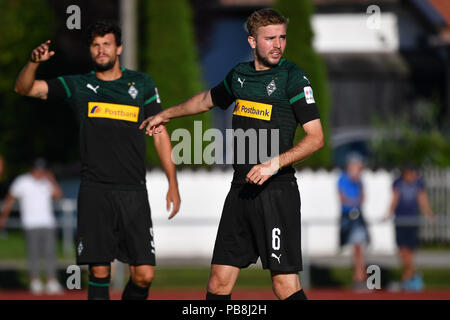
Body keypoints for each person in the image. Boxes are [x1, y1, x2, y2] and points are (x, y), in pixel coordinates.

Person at [141, 8, 324, 300]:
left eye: (282, 38)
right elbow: (205, 100)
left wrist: (272, 165)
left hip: (277, 192)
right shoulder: (239, 76)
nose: (278, 45)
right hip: (240, 191)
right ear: (252, 41)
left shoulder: (293, 77)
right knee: (218, 282)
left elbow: (316, 139)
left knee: (284, 284)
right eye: (269, 38)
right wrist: (166, 115)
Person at [14, 21, 181, 300]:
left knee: (144, 275)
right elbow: (25, 89)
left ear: (119, 48)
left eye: (106, 44)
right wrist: (32, 63)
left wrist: (172, 182)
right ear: (91, 50)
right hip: (95, 191)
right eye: (95, 45)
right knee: (99, 272)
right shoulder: (78, 85)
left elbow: (160, 134)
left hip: (133, 192)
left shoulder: (141, 84)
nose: (101, 49)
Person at [0, 158, 64, 294]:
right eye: (37, 169)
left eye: (42, 169)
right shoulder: (22, 181)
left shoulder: (47, 182)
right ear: (32, 169)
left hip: (48, 222)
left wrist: (52, 180)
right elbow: (10, 198)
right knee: (33, 253)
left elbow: (58, 195)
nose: (39, 172)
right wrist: (3, 216)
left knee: (50, 253)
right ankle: (35, 281)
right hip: (30, 223)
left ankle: (51, 280)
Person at [385, 164, 435, 291]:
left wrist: (429, 213)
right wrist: (388, 214)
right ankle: (413, 275)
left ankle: (407, 279)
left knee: (410, 252)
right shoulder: (398, 183)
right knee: (402, 251)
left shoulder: (418, 183)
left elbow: (422, 199)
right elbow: (394, 199)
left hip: (413, 221)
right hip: (401, 221)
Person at [337, 153, 370, 291]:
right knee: (356, 249)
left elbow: (363, 197)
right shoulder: (343, 179)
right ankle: (359, 277)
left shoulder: (359, 181)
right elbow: (342, 198)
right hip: (348, 216)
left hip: (358, 216)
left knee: (358, 248)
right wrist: (355, 203)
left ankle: (359, 277)